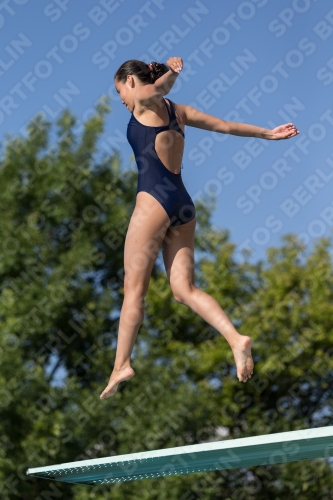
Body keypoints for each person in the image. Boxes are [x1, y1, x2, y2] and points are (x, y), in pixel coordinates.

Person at [99, 57, 299, 399]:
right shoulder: (179, 112)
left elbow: (155, 90)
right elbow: (225, 125)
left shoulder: (145, 103)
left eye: (120, 91)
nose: (121, 100)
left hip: (153, 204)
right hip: (182, 204)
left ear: (131, 81)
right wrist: (267, 133)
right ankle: (236, 339)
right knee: (183, 290)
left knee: (134, 290)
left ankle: (121, 365)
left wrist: (172, 75)